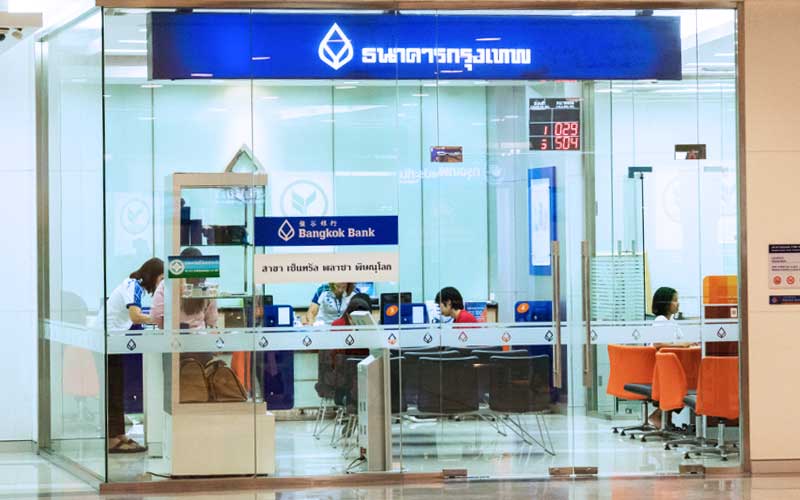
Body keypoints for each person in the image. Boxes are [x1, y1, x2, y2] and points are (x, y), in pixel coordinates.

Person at [105, 257, 164, 453]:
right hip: (107, 342)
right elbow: (135, 316)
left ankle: (119, 434)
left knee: (117, 389)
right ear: (152, 275)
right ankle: (112, 439)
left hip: (115, 343)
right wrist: (159, 319)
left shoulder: (133, 286)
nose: (161, 284)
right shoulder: (133, 286)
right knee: (112, 391)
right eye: (161, 279)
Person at [150, 247, 218, 330]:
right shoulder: (207, 287)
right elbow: (212, 320)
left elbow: (155, 316)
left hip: (172, 334)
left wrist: (166, 327)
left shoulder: (166, 285)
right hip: (199, 335)